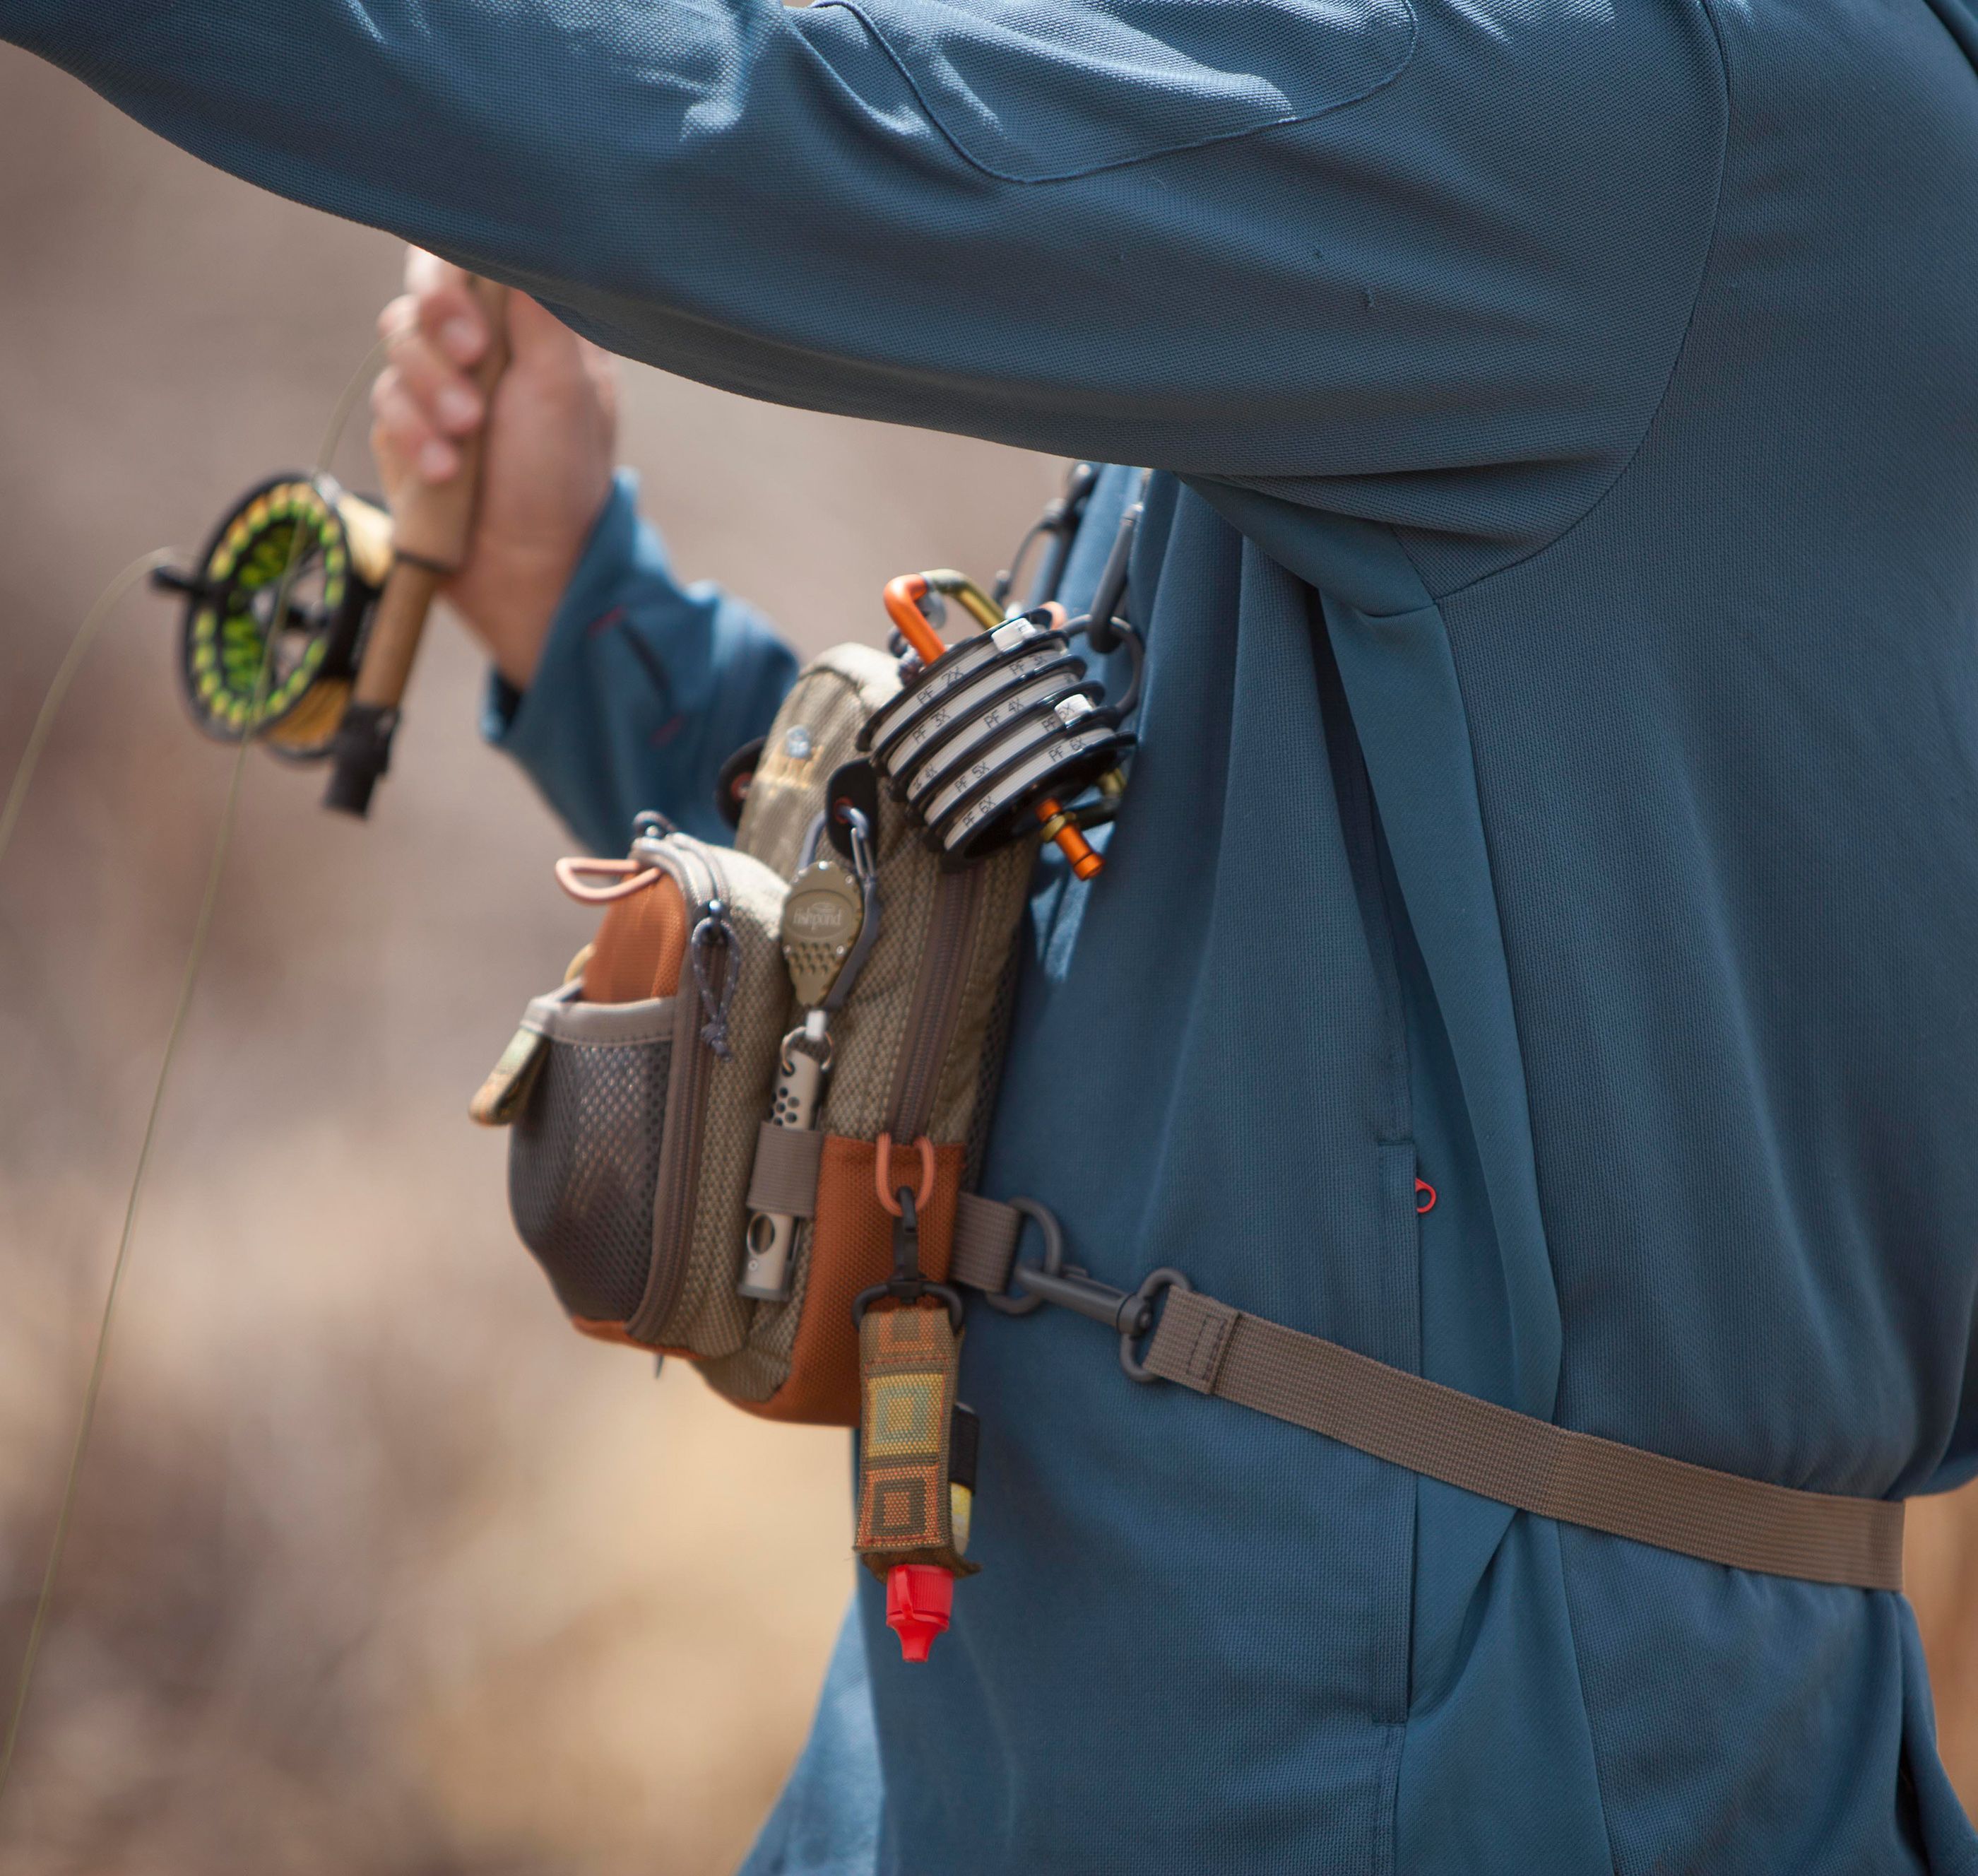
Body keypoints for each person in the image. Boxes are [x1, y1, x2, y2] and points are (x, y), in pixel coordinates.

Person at [8, 1, 1978, 1869]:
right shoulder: (1701, 147)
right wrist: (577, 606)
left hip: (1355, 1759)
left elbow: (760, 142)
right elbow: (1103, 966)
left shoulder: (1616, 117)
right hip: (1155, 1721)